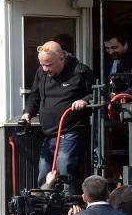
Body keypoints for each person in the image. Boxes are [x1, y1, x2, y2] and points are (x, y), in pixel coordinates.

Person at [21, 40, 96, 194]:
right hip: (50, 134)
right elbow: (34, 96)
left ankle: (71, 208)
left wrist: (84, 100)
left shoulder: (81, 72)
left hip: (71, 130)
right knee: (44, 173)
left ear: (61, 60)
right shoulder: (41, 73)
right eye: (42, 64)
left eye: (48, 65)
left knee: (64, 168)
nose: (45, 69)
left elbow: (98, 93)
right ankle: (44, 209)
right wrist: (27, 113)